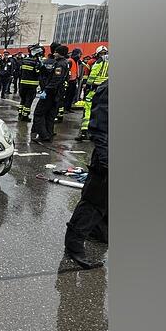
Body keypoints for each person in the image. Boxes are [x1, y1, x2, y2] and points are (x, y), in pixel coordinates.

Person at [59, 81, 108, 271]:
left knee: (108, 201)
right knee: (93, 202)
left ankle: (100, 234)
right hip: (108, 156)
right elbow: (100, 129)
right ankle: (74, 246)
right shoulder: (110, 89)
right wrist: (107, 161)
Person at [32, 45, 69, 142]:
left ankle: (43, 135)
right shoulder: (63, 63)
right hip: (56, 93)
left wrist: (46, 90)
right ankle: (48, 134)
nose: (54, 54)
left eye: (56, 52)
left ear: (60, 53)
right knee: (49, 115)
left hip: (51, 93)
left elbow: (56, 80)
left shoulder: (60, 64)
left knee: (38, 114)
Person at [77, 46, 109, 141]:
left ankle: (84, 131)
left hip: (95, 88)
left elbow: (92, 75)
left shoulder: (98, 62)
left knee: (88, 108)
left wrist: (87, 86)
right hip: (106, 89)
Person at [17, 44, 44, 122]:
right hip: (31, 85)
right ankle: (25, 116)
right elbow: (38, 73)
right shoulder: (36, 62)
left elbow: (20, 72)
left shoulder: (24, 60)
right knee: (28, 101)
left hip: (22, 84)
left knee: (23, 100)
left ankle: (20, 114)